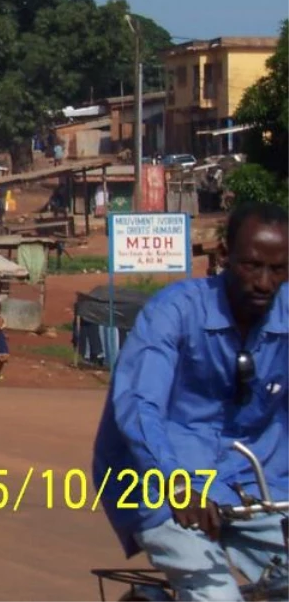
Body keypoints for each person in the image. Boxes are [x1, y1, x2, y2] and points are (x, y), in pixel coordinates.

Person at [92, 202, 289, 601]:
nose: (265, 283)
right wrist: (174, 483)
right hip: (160, 483)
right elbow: (140, 404)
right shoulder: (173, 311)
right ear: (223, 257)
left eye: (279, 269)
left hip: (257, 486)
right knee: (217, 596)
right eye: (252, 266)